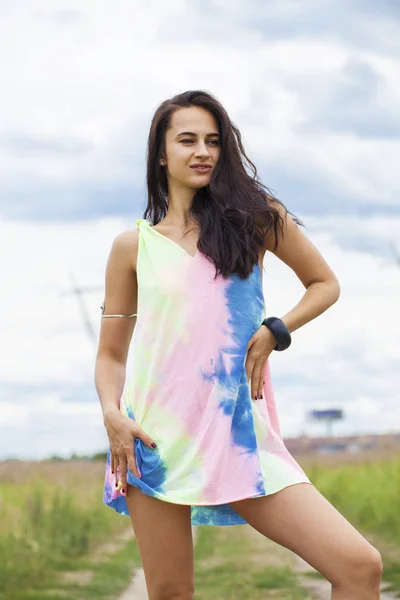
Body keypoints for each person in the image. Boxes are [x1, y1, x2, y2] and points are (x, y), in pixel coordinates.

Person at [94, 90, 383, 600]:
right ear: (161, 153)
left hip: (240, 437)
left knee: (359, 567)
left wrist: (277, 328)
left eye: (213, 141)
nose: (203, 151)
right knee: (170, 593)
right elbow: (111, 354)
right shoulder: (131, 247)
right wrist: (111, 414)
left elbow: (324, 283)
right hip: (154, 440)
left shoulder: (254, 219)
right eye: (187, 140)